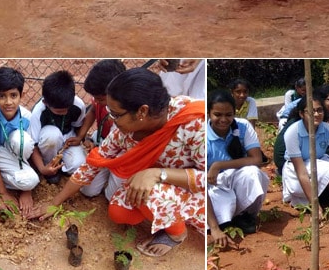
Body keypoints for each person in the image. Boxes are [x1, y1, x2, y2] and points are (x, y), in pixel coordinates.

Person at [30, 68, 205, 258]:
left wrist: (157, 174)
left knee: (150, 193)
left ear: (142, 112)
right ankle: (165, 211)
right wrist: (55, 203)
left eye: (115, 114)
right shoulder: (125, 129)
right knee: (118, 212)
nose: (110, 118)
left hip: (192, 187)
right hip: (153, 179)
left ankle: (177, 233)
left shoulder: (195, 124)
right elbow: (93, 164)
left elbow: (212, 178)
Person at [282, 85, 329, 219]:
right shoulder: (292, 132)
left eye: (319, 110)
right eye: (311, 111)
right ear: (301, 114)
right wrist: (315, 205)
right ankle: (315, 197)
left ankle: (326, 193)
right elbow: (301, 171)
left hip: (321, 163)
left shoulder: (328, 129)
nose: (316, 114)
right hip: (296, 170)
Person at [0, 66, 39, 218]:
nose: (8, 102)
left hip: (15, 154)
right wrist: (2, 193)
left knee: (32, 180)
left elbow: (27, 151)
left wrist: (27, 191)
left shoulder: (27, 116)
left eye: (13, 95)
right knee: (26, 176)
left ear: (21, 95)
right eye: (2, 96)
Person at [207, 90, 269, 238]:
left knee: (253, 173)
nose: (223, 119)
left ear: (234, 113)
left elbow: (256, 159)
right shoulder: (201, 134)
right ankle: (223, 221)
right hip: (210, 184)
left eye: (228, 115)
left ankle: (245, 215)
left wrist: (218, 165)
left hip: (234, 177)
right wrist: (214, 227)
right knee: (220, 204)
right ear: (208, 113)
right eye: (217, 114)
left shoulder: (243, 126)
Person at [75, 59, 126, 198]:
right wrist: (81, 136)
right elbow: (92, 111)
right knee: (88, 191)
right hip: (104, 139)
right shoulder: (100, 97)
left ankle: (113, 174)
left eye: (100, 99)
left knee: (112, 197)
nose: (96, 101)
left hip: (122, 152)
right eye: (94, 98)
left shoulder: (125, 115)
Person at [29, 70, 88, 185]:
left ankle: (61, 166)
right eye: (59, 111)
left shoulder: (78, 105)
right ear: (45, 102)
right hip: (48, 140)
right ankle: (49, 167)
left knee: (79, 165)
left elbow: (77, 126)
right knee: (52, 136)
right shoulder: (38, 112)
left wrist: (80, 138)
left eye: (67, 108)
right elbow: (33, 145)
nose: (65, 113)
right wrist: (42, 168)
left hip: (68, 138)